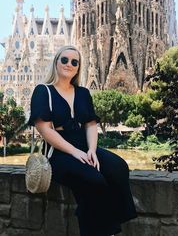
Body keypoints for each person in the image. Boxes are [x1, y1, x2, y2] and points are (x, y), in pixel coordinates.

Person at [28, 45, 137, 236]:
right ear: (56, 62)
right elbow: (44, 130)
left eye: (74, 62)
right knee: (93, 180)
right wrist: (75, 152)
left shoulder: (83, 93)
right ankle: (104, 231)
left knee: (118, 167)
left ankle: (106, 220)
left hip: (84, 145)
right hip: (58, 150)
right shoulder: (43, 91)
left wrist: (92, 150)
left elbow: (90, 124)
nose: (69, 64)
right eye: (64, 60)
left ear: (78, 68)